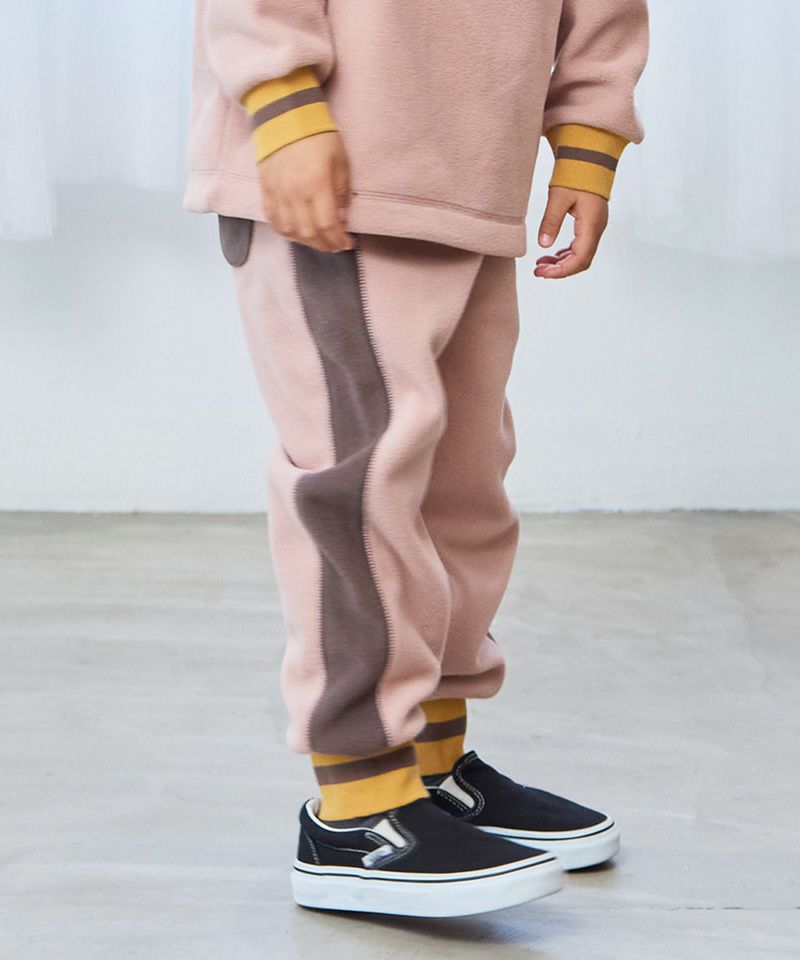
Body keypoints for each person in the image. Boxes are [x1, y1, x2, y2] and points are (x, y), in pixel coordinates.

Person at [184, 0, 648, 918]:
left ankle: (430, 765)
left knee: (461, 491)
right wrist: (283, 105)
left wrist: (589, 141)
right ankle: (359, 801)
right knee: (359, 487)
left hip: (474, 177)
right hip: (332, 174)